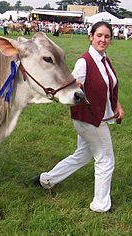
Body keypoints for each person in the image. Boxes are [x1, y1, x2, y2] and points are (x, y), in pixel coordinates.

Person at [32, 21, 124, 213]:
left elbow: (108, 86)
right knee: (106, 159)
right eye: (99, 35)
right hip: (89, 118)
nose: (103, 39)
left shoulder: (104, 59)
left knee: (82, 155)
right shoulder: (85, 61)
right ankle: (100, 205)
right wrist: (76, 86)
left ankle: (46, 180)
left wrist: (117, 104)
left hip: (91, 117)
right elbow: (72, 84)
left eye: (107, 36)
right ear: (90, 36)